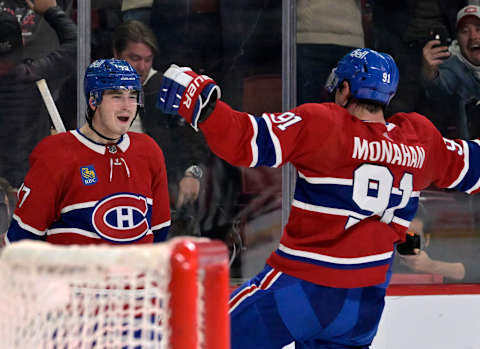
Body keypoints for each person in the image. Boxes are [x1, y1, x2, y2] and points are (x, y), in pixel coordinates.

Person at [157, 48, 480, 348]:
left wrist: (202, 102)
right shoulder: (420, 141)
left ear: (345, 89)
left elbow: (246, 140)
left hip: (303, 290)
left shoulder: (325, 123)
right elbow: (472, 165)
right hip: (364, 305)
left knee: (200, 338)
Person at [5, 58, 170, 245]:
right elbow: (23, 240)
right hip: (76, 274)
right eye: (116, 96)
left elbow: (160, 233)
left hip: (137, 274)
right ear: (93, 100)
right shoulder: (55, 154)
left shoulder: (148, 151)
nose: (127, 105)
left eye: (132, 96)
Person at [112, 19, 210, 236]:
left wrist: (192, 174)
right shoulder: (97, 87)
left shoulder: (165, 90)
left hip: (156, 187)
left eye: (148, 60)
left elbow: (194, 146)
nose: (142, 67)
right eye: (134, 58)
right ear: (116, 55)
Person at [0, 0, 76, 189]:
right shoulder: (36, 74)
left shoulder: (35, 74)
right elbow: (77, 44)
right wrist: (51, 10)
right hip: (29, 186)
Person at [422, 4, 480, 138]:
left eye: (478, 29)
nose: (473, 37)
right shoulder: (451, 66)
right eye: (465, 31)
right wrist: (429, 72)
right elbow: (439, 88)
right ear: (457, 39)